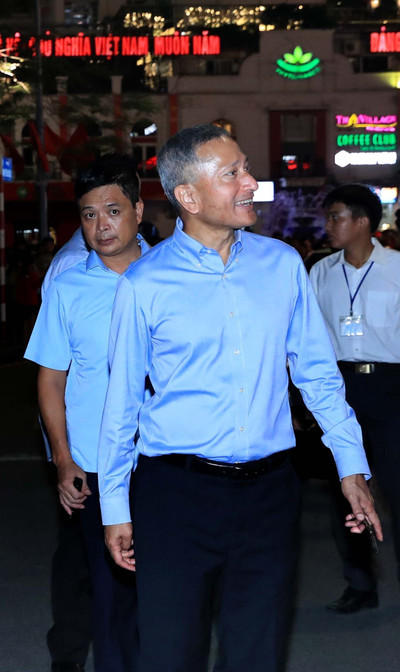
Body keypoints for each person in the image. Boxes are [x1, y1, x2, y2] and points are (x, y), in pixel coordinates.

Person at [98, 124, 381, 672]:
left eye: (246, 168)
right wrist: (115, 506)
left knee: (258, 652)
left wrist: (351, 465)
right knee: (171, 653)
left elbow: (317, 374)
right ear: (188, 196)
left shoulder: (281, 265)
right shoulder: (144, 284)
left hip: (271, 492)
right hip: (175, 494)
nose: (251, 182)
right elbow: (122, 403)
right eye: (233, 174)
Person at [25, 155, 144, 672]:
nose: (101, 226)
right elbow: (51, 378)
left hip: (168, 461)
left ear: (139, 210)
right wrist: (63, 459)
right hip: (97, 466)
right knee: (109, 592)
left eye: (113, 211)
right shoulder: (68, 287)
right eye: (90, 215)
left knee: (166, 595)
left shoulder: (176, 275)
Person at [309, 183, 400, 614]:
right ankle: (359, 584)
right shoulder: (319, 273)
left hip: (391, 386)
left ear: (363, 221)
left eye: (336, 217)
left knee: (397, 488)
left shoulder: (397, 268)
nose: (328, 226)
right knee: (344, 490)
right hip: (339, 389)